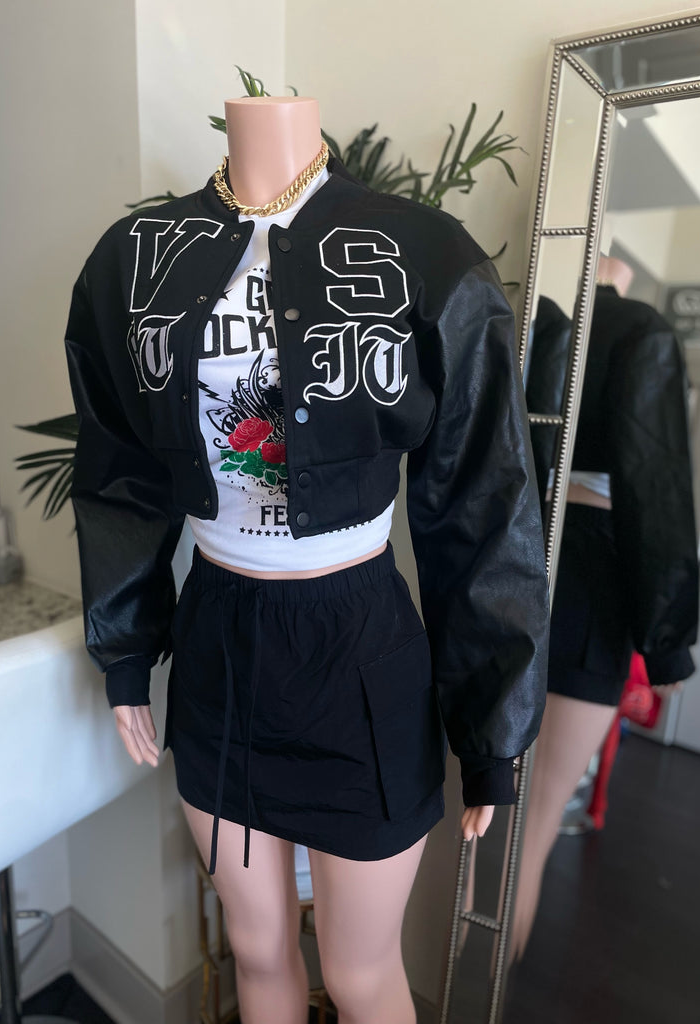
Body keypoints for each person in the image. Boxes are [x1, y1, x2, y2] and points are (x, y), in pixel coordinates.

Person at [65, 94, 549, 1024]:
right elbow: (119, 470)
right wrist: (126, 651)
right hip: (218, 642)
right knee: (256, 952)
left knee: (362, 975)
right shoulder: (135, 258)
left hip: (358, 646)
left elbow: (482, 496)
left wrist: (492, 733)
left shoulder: (421, 250)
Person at [511, 258, 699, 963]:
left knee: (482, 808)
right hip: (597, 573)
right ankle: (477, 998)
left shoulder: (538, 327)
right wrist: (668, 642)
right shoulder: (641, 331)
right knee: (535, 823)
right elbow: (656, 487)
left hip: (522, 553)